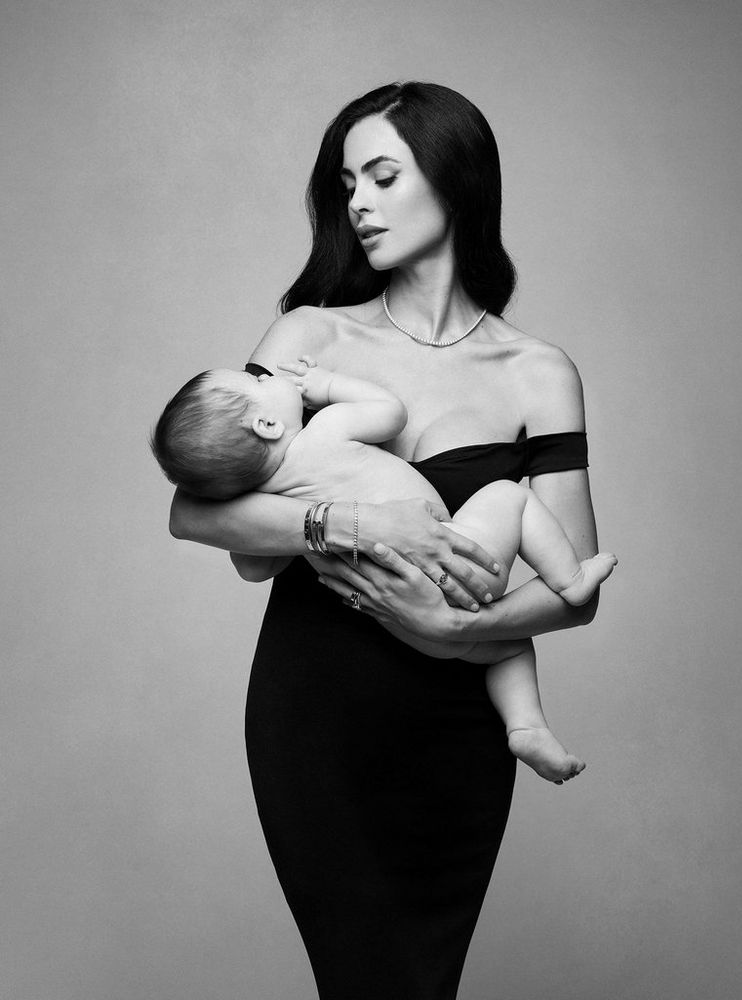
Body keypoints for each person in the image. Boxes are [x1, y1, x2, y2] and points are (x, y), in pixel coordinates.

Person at [168, 82, 608, 1000]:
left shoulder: (540, 372)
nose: (356, 203)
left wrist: (445, 635)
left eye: (381, 175)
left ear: (455, 180)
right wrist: (351, 520)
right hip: (317, 714)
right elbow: (198, 512)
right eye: (346, 183)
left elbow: (580, 585)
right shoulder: (306, 337)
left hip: (461, 727)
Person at [153, 357, 617, 782]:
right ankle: (570, 581)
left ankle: (526, 728)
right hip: (463, 566)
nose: (267, 375)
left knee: (507, 649)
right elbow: (391, 411)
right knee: (508, 495)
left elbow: (253, 567)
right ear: (268, 424)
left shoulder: (272, 506)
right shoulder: (325, 431)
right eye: (256, 380)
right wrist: (325, 384)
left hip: (402, 623)